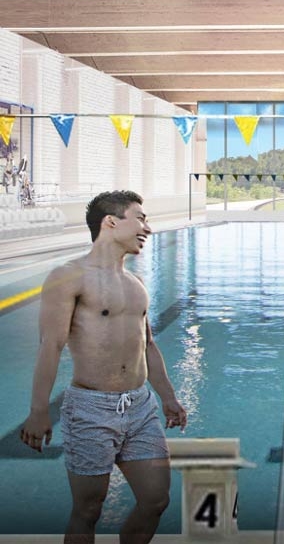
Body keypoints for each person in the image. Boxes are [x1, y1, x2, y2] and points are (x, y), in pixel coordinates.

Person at [20, 190, 187, 544]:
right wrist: (38, 411)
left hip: (140, 407)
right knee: (88, 509)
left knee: (156, 499)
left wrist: (168, 398)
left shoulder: (136, 284)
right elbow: (50, 345)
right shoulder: (69, 276)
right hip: (92, 409)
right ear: (110, 222)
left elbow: (149, 346)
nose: (147, 228)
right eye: (140, 218)